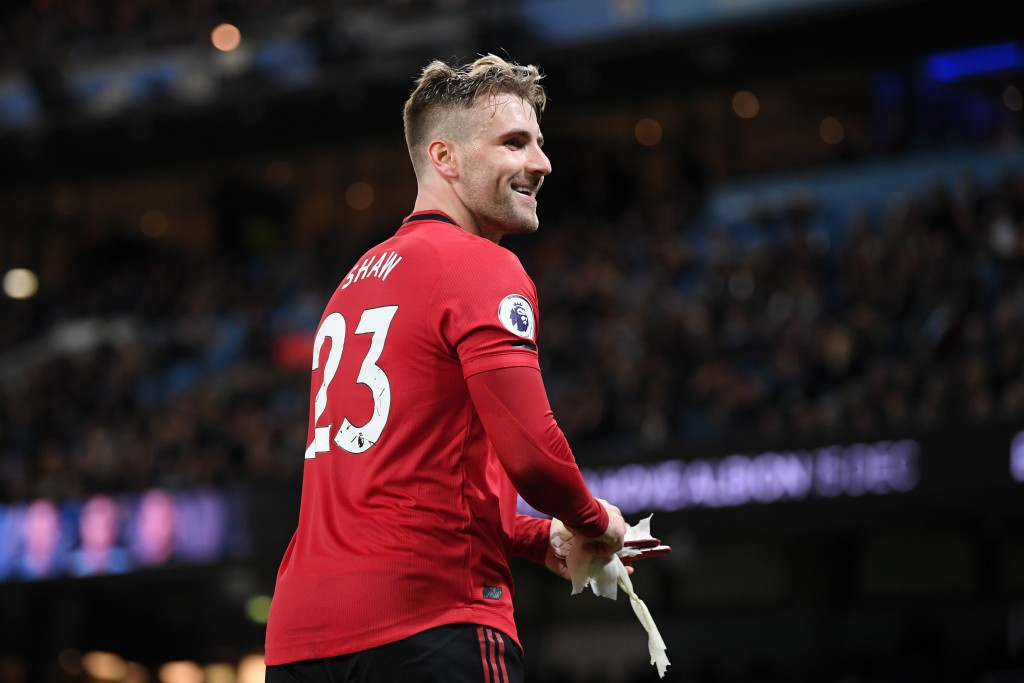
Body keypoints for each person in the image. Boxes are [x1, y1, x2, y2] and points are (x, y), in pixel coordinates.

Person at [264, 54, 628, 683]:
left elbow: (405, 483)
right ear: (445, 158)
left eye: (538, 143)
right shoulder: (480, 265)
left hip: (300, 642)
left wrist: (539, 538)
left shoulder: (351, 285)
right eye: (514, 142)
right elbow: (533, 455)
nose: (541, 163)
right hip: (430, 618)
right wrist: (593, 522)